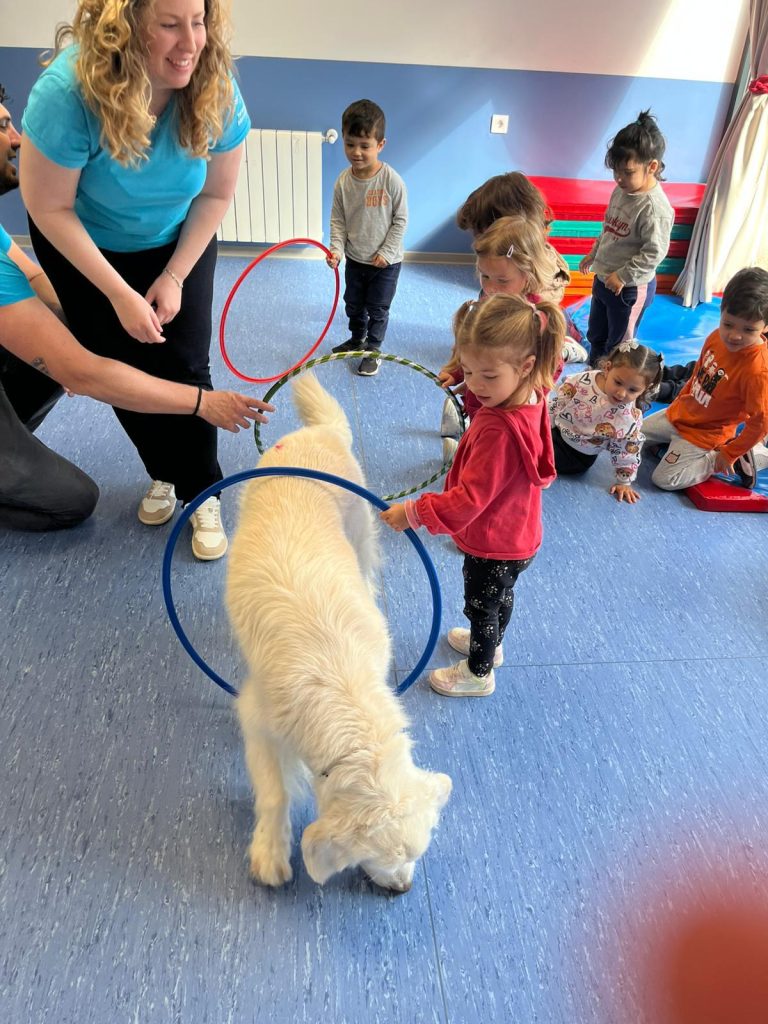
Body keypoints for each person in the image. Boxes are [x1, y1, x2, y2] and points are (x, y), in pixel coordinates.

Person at [19, 0, 251, 560]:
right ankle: (164, 472)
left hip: (178, 237)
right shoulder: (67, 94)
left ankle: (203, 488)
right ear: (122, 26)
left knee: (186, 363)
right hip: (84, 241)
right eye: (169, 25)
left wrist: (174, 275)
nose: (190, 42)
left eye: (198, 21)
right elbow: (49, 207)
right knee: (119, 361)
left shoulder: (214, 85)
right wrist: (119, 293)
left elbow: (216, 194)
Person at [381, 293, 564, 698]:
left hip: (494, 542)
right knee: (500, 597)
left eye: (488, 376)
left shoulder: (499, 431)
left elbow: (468, 501)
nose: (477, 386)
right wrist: (470, 379)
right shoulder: (533, 391)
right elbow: (499, 380)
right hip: (519, 532)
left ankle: (479, 673)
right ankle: (492, 646)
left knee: (481, 607)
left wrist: (413, 512)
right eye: (468, 370)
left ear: (525, 366)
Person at [437, 215, 578, 460]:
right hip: (484, 394)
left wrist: (524, 394)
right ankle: (466, 450)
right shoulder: (488, 303)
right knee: (480, 433)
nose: (491, 288)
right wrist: (459, 372)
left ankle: (469, 457)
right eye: (485, 276)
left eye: (502, 280)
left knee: (497, 451)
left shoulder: (538, 319)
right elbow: (476, 349)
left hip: (511, 406)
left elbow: (550, 368)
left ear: (528, 274)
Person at [642, 267, 768, 492]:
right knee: (633, 435)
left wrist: (728, 455)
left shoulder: (758, 372)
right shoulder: (716, 336)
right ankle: (668, 445)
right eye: (728, 324)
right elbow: (697, 375)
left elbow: (761, 423)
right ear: (721, 312)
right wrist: (678, 403)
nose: (734, 335)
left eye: (748, 330)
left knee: (664, 479)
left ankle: (720, 457)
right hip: (680, 415)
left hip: (705, 434)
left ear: (765, 327)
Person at [455, 171, 587, 361]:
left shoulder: (540, 284)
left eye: (486, 235)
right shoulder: (502, 267)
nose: (483, 243)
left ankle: (566, 346)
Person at [579, 111, 674, 368]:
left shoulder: (654, 208)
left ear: (651, 167)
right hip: (604, 277)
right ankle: (594, 371)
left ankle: (612, 380)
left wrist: (623, 275)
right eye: (616, 172)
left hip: (628, 288)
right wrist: (594, 254)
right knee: (596, 333)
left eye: (627, 172)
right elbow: (609, 228)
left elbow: (654, 253)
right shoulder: (621, 190)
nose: (619, 178)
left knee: (619, 344)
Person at [325, 99, 408, 377]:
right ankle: (357, 339)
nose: (356, 152)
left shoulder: (391, 180)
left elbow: (400, 220)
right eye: (350, 144)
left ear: (380, 145)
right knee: (353, 305)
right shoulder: (343, 182)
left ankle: (373, 349)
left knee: (378, 308)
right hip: (355, 259)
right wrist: (336, 249)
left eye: (365, 145)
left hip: (386, 264)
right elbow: (338, 220)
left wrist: (386, 251)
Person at [549, 340, 663, 504]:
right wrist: (544, 424)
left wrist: (624, 482)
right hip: (556, 431)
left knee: (533, 454)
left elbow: (627, 450)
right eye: (618, 382)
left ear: (645, 389)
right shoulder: (586, 379)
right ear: (608, 368)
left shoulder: (627, 417)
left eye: (632, 390)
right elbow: (561, 400)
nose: (621, 393)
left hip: (576, 456)